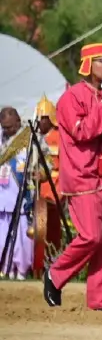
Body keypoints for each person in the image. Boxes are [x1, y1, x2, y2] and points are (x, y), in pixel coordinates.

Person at [43, 42, 102, 311]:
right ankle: (55, 275)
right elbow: (81, 132)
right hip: (84, 176)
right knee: (91, 237)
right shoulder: (71, 98)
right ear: (89, 64)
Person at [31, 95, 62, 277]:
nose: (40, 122)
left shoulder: (59, 137)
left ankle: (52, 263)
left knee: (52, 230)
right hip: (35, 188)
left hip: (54, 187)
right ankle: (36, 265)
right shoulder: (34, 138)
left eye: (43, 118)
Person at [0, 106, 33, 278]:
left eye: (10, 127)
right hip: (1, 199)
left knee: (21, 239)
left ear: (18, 122)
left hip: (19, 198)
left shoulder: (29, 140)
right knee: (2, 237)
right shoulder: (0, 140)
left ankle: (21, 271)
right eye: (3, 127)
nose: (6, 131)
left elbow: (43, 165)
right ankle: (5, 268)